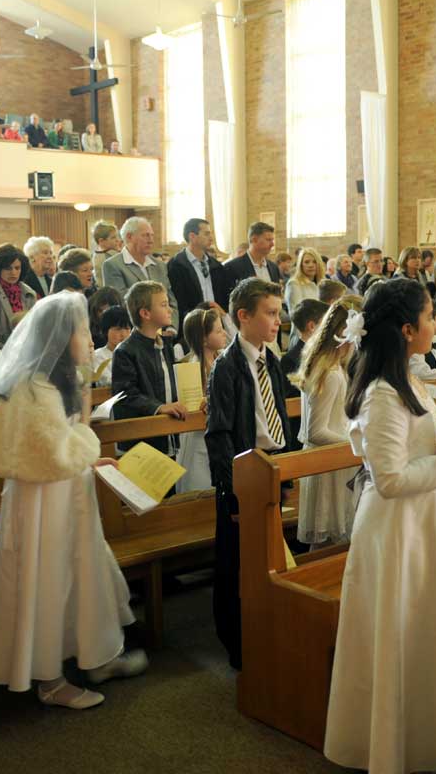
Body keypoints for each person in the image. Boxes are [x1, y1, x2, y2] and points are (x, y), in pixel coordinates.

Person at [324, 277, 436, 774]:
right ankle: (388, 750)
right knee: (398, 631)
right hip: (396, 527)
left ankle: (423, 742)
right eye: (431, 317)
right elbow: (387, 479)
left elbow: (408, 449)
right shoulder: (383, 394)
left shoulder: (407, 381)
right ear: (408, 329)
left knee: (423, 629)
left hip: (424, 517)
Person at [0, 291, 147, 709]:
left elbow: (67, 444)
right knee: (47, 580)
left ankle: (97, 655)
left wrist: (89, 455)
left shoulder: (59, 378)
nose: (89, 340)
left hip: (68, 491)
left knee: (84, 572)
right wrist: (85, 444)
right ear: (57, 336)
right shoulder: (31, 385)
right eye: (82, 331)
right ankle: (48, 679)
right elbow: (51, 451)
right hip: (41, 504)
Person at [206, 278, 295, 669]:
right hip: (242, 478)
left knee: (270, 560)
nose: (278, 321)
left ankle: (267, 631)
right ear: (243, 316)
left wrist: (288, 472)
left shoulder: (270, 360)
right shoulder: (227, 367)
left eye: (278, 313)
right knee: (235, 565)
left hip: (271, 467)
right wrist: (232, 492)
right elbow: (220, 435)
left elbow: (281, 422)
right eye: (270, 314)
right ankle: (237, 644)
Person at [296, 300, 358, 546]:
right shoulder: (330, 373)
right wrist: (355, 442)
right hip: (328, 464)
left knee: (334, 541)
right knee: (329, 542)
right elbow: (315, 432)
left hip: (335, 461)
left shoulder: (332, 367)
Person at [111, 281, 186, 454]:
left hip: (168, 431)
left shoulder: (165, 345)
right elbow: (126, 395)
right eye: (163, 305)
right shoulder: (125, 351)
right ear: (145, 313)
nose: (170, 310)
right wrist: (158, 407)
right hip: (143, 442)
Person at [176, 308, 227, 493]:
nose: (225, 334)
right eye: (219, 331)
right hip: (199, 437)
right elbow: (192, 406)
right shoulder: (191, 367)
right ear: (204, 339)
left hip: (222, 434)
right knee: (200, 488)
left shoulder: (223, 360)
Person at [101, 217, 180, 329]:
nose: (151, 240)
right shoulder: (113, 265)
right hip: (133, 332)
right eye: (146, 235)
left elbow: (170, 300)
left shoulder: (159, 265)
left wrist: (171, 326)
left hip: (163, 332)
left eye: (152, 235)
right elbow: (122, 303)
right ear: (129, 237)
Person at [168, 217, 230, 320]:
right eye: (206, 234)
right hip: (192, 323)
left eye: (210, 233)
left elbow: (222, 296)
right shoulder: (176, 265)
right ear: (192, 236)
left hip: (216, 321)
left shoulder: (215, 265)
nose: (211, 238)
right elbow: (178, 301)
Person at [0, 244, 38, 347]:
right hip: (0, 352)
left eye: (17, 268)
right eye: (8, 268)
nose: (13, 272)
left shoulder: (30, 293)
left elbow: (35, 330)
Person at [222, 222, 283, 292]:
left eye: (272, 240)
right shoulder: (233, 267)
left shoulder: (273, 268)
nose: (272, 244)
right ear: (254, 239)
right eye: (268, 240)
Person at [281, 298, 328, 378]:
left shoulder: (322, 350)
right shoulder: (292, 360)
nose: (329, 328)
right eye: (326, 323)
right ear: (312, 326)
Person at [91, 304, 130, 387]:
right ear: (106, 331)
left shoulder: (135, 354)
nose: (123, 334)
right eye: (118, 329)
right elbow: (106, 382)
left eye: (127, 329)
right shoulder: (98, 356)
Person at [285, 248, 323, 318]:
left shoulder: (321, 283)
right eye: (306, 262)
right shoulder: (294, 284)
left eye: (314, 262)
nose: (311, 265)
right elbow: (295, 315)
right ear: (301, 265)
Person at [91, 221, 121, 287]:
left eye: (117, 237)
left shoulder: (100, 254)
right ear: (101, 241)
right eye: (113, 238)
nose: (117, 240)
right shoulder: (105, 257)